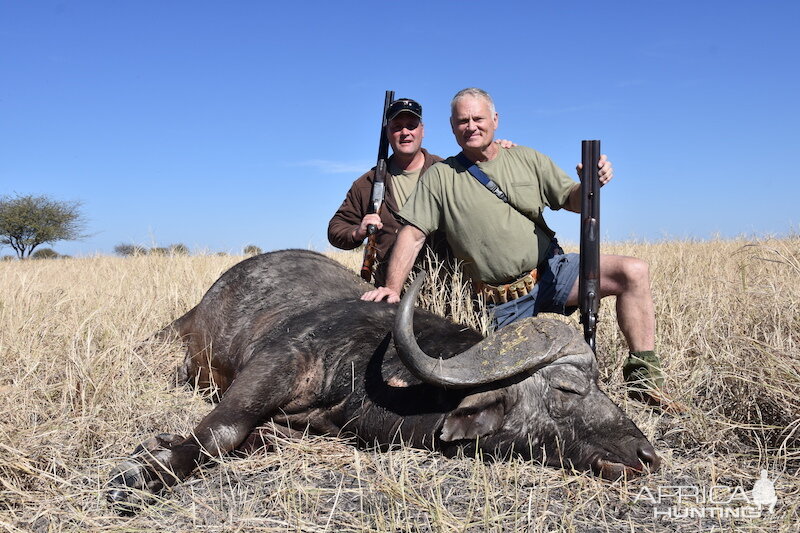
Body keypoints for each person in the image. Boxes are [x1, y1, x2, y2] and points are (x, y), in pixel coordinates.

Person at [362, 87, 680, 411]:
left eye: (478, 118)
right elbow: (412, 234)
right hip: (499, 303)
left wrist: (590, 187)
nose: (471, 126)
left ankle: (645, 381)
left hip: (551, 274)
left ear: (495, 120)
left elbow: (571, 199)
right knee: (514, 394)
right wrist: (391, 287)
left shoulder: (526, 158)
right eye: (462, 121)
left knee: (633, 272)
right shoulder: (440, 177)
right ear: (452, 126)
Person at [327, 98, 444, 287]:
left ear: (422, 130)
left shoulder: (446, 172)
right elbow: (335, 230)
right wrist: (358, 232)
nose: (405, 132)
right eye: (397, 127)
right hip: (388, 295)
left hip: (444, 293)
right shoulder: (366, 184)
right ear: (387, 133)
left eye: (411, 126)